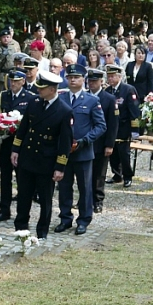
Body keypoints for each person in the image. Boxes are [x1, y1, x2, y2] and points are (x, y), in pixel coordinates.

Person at [12, 71, 72, 239]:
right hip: (28, 156)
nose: (38, 90)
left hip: (46, 160)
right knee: (24, 194)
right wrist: (16, 150)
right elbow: (23, 128)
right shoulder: (34, 103)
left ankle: (42, 231)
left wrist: (60, 167)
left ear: (52, 90)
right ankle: (21, 226)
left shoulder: (64, 111)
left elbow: (65, 143)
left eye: (42, 88)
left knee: (45, 199)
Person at [55, 65, 107, 235]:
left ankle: (84, 220)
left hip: (83, 152)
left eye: (76, 77)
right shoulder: (60, 98)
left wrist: (85, 141)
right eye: (69, 77)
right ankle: (65, 218)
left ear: (83, 79)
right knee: (64, 187)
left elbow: (101, 126)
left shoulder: (91, 100)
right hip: (64, 152)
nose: (72, 80)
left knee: (85, 188)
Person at [0, 69, 37, 223]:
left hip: (22, 144)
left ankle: (22, 212)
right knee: (5, 177)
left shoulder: (30, 97)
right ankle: (4, 210)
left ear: (23, 82)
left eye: (17, 81)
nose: (14, 84)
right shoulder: (3, 95)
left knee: (22, 178)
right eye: (11, 81)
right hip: (6, 142)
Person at [86, 68, 117, 213]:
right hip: (85, 142)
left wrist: (110, 144)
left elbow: (112, 124)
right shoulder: (84, 96)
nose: (91, 83)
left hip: (101, 142)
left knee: (99, 174)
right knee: (84, 173)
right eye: (90, 80)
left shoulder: (109, 99)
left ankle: (98, 200)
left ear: (101, 82)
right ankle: (84, 200)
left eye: (95, 81)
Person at [105, 65, 141, 188]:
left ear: (119, 77)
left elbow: (134, 111)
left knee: (124, 154)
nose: (110, 79)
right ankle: (116, 174)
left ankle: (127, 176)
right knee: (112, 153)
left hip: (124, 127)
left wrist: (135, 130)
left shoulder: (128, 89)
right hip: (111, 128)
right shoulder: (107, 91)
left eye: (112, 76)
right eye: (108, 76)